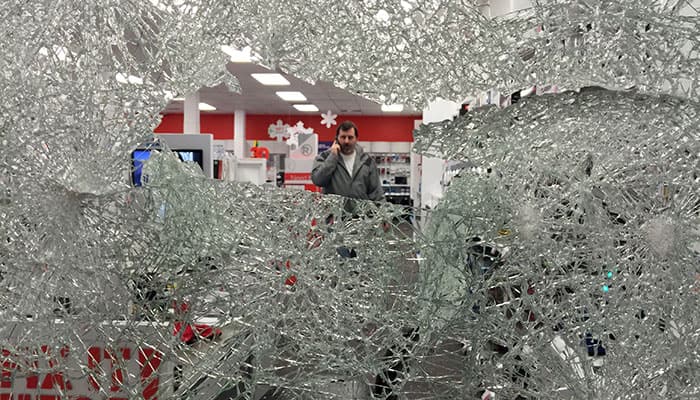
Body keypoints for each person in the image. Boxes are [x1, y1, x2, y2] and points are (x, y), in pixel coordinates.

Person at [311, 120, 383, 215]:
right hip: (335, 220)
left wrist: (383, 214)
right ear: (336, 138)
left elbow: (376, 191)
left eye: (350, 137)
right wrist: (332, 157)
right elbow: (318, 180)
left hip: (361, 220)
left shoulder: (367, 161)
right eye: (343, 137)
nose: (346, 141)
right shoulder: (324, 157)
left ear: (356, 138)